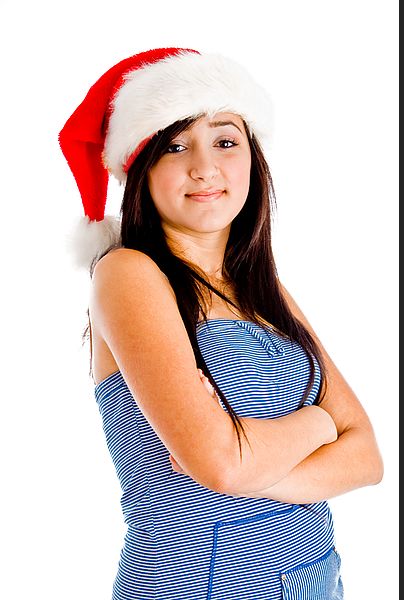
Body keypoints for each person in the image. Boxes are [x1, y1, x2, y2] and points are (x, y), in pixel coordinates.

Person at [59, 47, 383, 600]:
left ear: (253, 160)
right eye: (175, 145)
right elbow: (222, 468)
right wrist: (319, 426)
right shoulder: (129, 274)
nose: (204, 167)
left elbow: (368, 457)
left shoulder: (265, 290)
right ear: (141, 168)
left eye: (226, 141)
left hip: (312, 583)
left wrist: (257, 466)